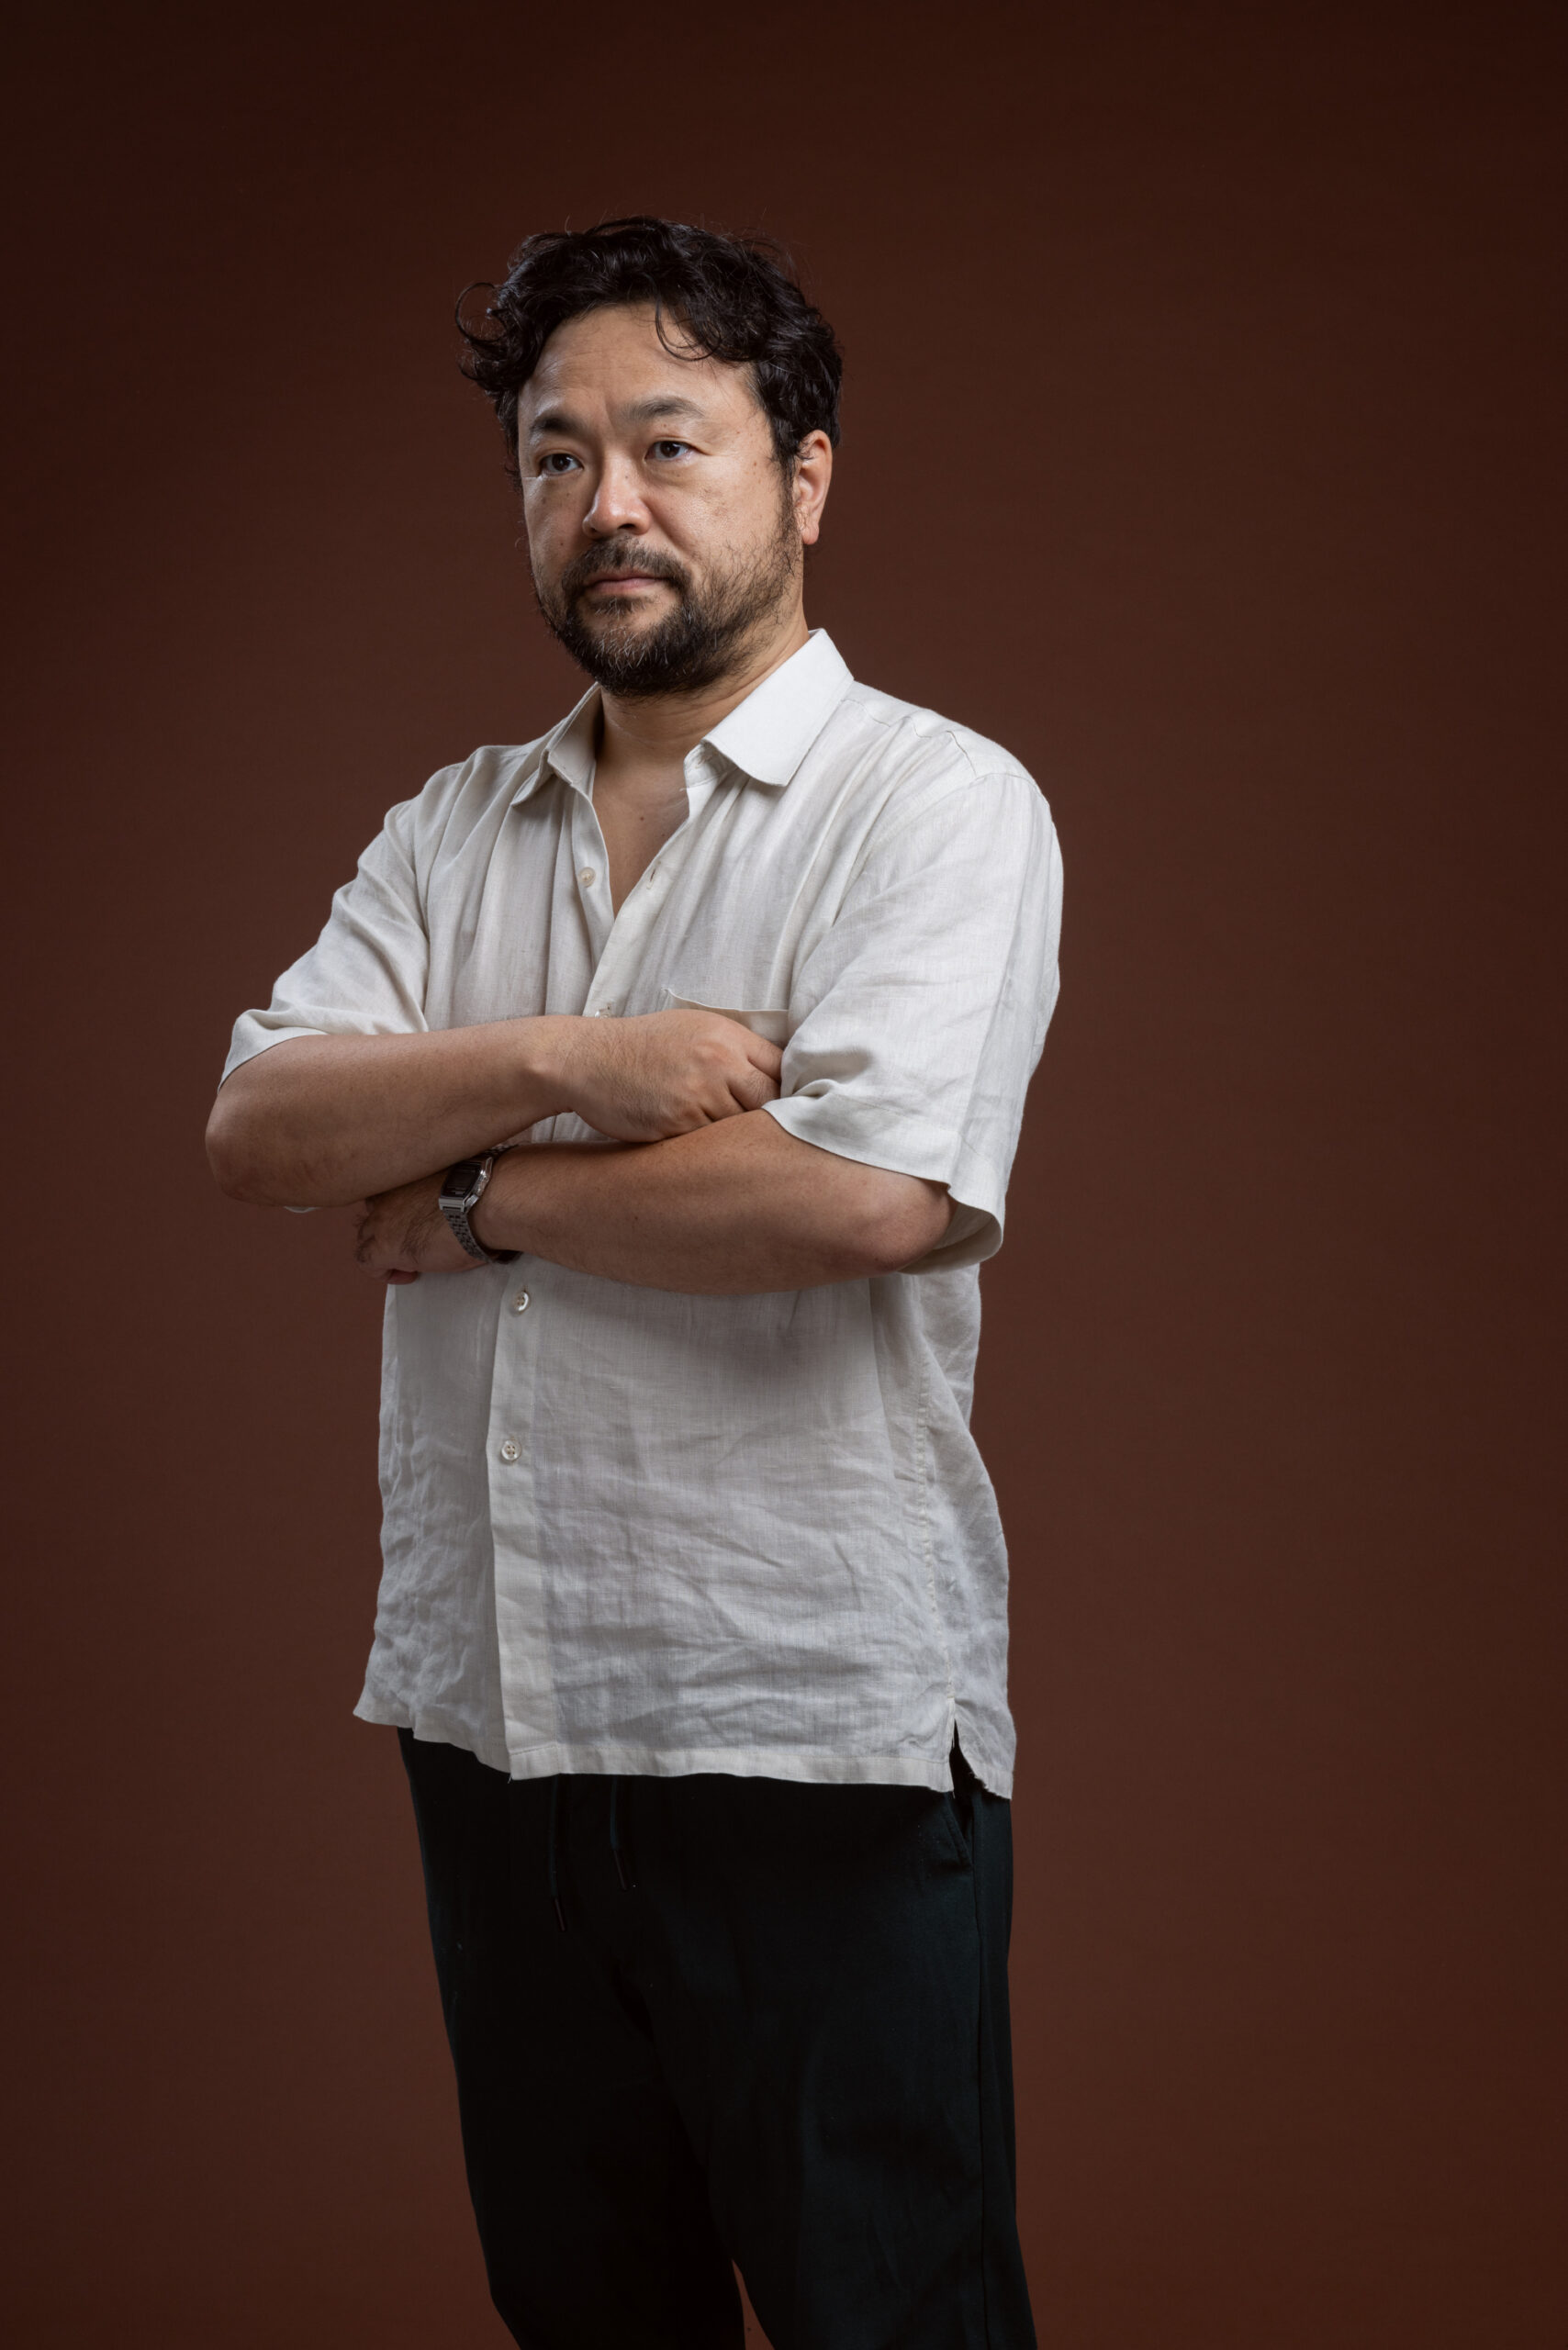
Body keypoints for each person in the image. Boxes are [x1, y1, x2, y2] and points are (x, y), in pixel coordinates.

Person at [207, 216, 1063, 2350]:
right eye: (554, 453)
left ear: (804, 474)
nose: (607, 503)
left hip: (810, 1729)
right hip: (494, 1727)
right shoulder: (450, 830)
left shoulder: (931, 803)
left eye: (668, 443)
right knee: (585, 2313)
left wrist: (476, 1191)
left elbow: (864, 1191)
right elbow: (262, 1125)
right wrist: (575, 1065)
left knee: (894, 2315)